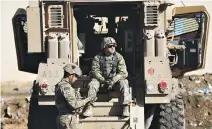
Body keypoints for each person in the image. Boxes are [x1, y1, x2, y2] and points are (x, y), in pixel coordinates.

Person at [83, 37, 131, 117]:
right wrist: (103, 80)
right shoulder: (97, 57)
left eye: (114, 46)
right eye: (110, 46)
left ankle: (125, 107)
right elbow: (95, 71)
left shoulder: (119, 57)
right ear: (104, 47)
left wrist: (113, 80)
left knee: (124, 82)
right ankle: (88, 107)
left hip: (114, 83)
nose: (113, 47)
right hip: (101, 82)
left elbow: (124, 73)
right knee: (92, 84)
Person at [55, 63, 96, 129]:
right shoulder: (66, 86)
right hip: (67, 119)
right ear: (70, 75)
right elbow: (74, 105)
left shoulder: (61, 85)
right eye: (75, 76)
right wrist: (88, 99)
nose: (76, 79)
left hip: (65, 118)